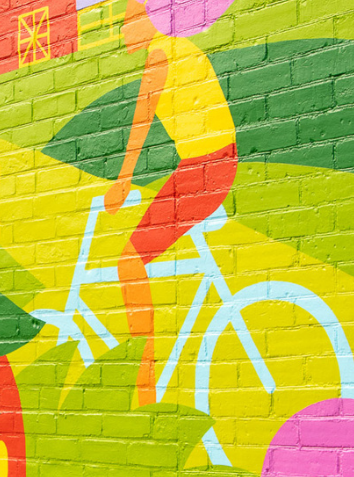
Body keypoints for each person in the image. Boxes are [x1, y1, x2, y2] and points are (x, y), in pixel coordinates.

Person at [104, 0, 237, 407]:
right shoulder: (179, 50)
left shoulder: (160, 55)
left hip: (205, 168)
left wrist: (122, 183)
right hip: (209, 163)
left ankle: (143, 377)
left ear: (146, 21)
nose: (123, 33)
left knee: (128, 262)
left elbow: (140, 123)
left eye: (126, 23)